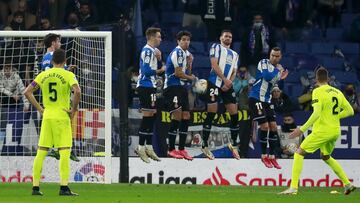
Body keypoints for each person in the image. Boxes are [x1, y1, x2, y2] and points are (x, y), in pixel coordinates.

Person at [279, 67, 356, 195]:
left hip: (322, 131)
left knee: (299, 153)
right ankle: (347, 184)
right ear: (328, 78)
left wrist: (301, 129)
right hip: (335, 131)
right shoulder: (337, 92)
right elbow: (350, 111)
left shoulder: (317, 91)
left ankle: (293, 188)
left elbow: (316, 113)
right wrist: (334, 116)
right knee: (325, 156)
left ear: (316, 79)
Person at [25, 49, 80, 196]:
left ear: (52, 60)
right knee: (64, 152)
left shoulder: (43, 75)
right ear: (64, 60)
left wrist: (40, 109)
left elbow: (27, 92)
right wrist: (73, 110)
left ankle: (35, 188)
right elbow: (77, 91)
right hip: (62, 116)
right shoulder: (69, 75)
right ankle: (64, 187)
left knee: (41, 152)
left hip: (47, 116)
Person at [201, 30, 240, 160]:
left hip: (227, 84)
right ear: (221, 37)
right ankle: (204, 143)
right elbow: (214, 64)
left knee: (234, 113)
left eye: (230, 36)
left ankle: (234, 144)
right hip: (214, 83)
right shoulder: (216, 47)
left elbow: (234, 71)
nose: (228, 38)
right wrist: (224, 79)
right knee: (212, 111)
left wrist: (229, 82)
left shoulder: (235, 54)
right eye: (226, 36)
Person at [248, 47, 288, 169]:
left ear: (280, 57)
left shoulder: (278, 69)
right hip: (255, 97)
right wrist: (279, 75)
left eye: (277, 56)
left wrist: (279, 80)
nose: (274, 58)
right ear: (269, 55)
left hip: (267, 99)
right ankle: (264, 155)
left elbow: (276, 84)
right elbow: (267, 76)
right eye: (272, 55)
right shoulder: (263, 62)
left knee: (274, 126)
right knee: (265, 126)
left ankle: (272, 156)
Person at [41, 33, 78, 162]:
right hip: (60, 98)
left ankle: (55, 149)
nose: (60, 44)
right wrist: (68, 72)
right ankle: (64, 150)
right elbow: (57, 73)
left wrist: (68, 69)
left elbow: (51, 74)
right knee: (64, 124)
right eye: (59, 41)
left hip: (49, 97)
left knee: (53, 126)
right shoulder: (53, 56)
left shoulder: (45, 57)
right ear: (53, 43)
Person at [164, 30, 196, 160]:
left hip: (181, 87)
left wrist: (189, 64)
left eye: (188, 40)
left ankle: (182, 149)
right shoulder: (177, 52)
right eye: (183, 39)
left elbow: (186, 71)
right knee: (177, 115)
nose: (186, 42)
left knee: (186, 115)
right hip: (172, 86)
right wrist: (192, 78)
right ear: (178, 41)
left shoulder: (186, 54)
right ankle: (171, 149)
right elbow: (178, 74)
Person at [135, 27, 165, 163]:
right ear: (152, 37)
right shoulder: (147, 51)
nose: (160, 39)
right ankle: (140, 147)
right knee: (147, 117)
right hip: (145, 86)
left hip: (151, 86)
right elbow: (146, 71)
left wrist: (158, 57)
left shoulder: (152, 51)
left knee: (152, 116)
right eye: (158, 37)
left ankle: (149, 146)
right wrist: (160, 70)